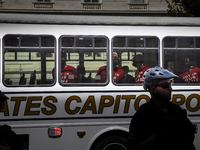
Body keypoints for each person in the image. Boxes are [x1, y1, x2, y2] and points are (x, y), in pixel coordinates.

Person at [127, 66, 196, 150]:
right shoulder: (142, 115)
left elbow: (190, 138)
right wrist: (157, 136)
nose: (170, 88)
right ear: (152, 88)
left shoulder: (176, 110)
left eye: (170, 84)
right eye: (165, 85)